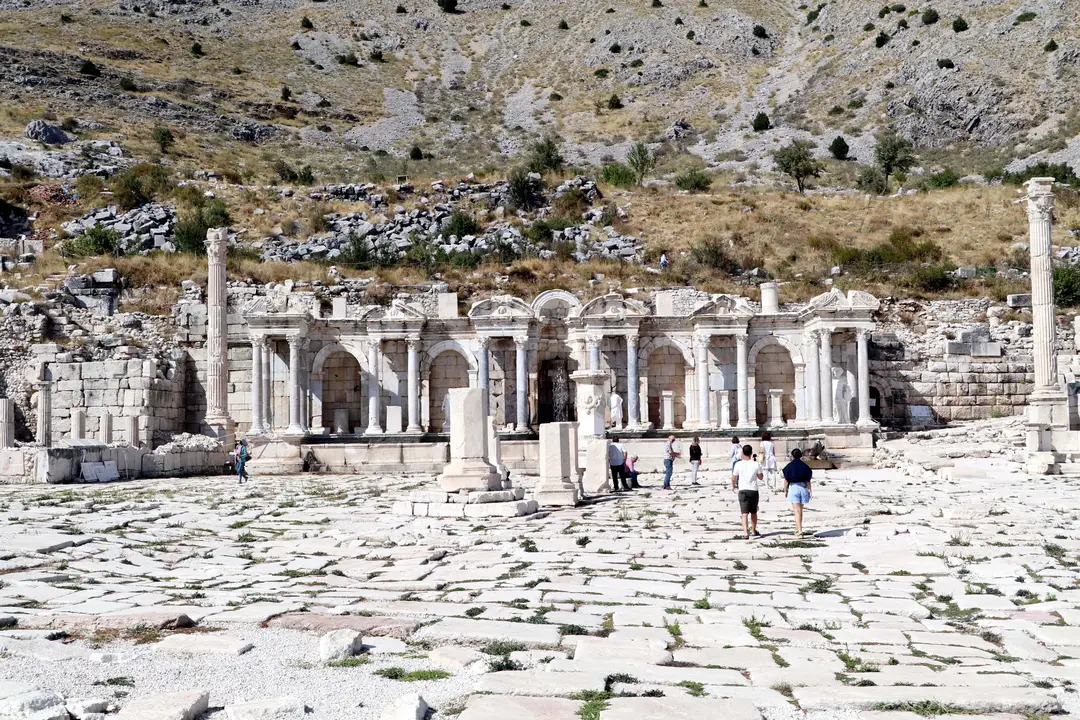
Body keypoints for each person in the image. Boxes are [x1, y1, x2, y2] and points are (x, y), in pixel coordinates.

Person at [731, 444, 763, 540]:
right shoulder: (756, 464)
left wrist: (733, 485)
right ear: (751, 453)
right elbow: (761, 477)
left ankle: (745, 533)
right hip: (753, 490)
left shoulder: (738, 464)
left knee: (744, 513)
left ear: (742, 453)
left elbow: (734, 477)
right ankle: (753, 530)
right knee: (753, 512)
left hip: (743, 490)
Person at [783, 448, 814, 536]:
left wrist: (785, 490)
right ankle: (798, 528)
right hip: (803, 487)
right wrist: (810, 490)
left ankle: (799, 530)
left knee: (796, 510)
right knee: (800, 510)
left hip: (794, 488)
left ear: (792, 456)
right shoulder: (805, 466)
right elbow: (808, 480)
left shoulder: (789, 466)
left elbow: (786, 480)